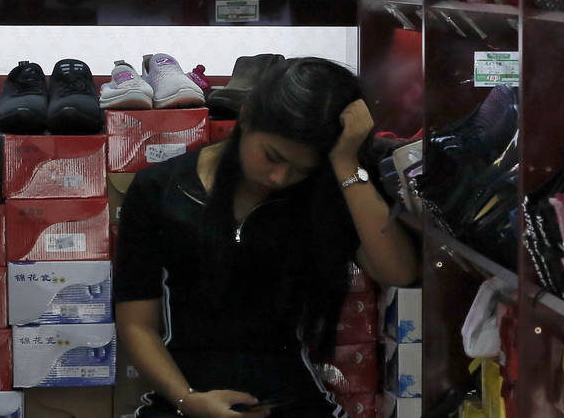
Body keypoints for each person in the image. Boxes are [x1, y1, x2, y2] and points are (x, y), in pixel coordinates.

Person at [115, 57, 420, 418]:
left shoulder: (323, 196)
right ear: (245, 117)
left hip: (294, 400)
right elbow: (136, 324)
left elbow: (398, 272)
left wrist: (346, 164)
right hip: (184, 399)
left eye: (300, 168)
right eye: (272, 157)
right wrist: (187, 400)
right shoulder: (160, 189)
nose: (279, 177)